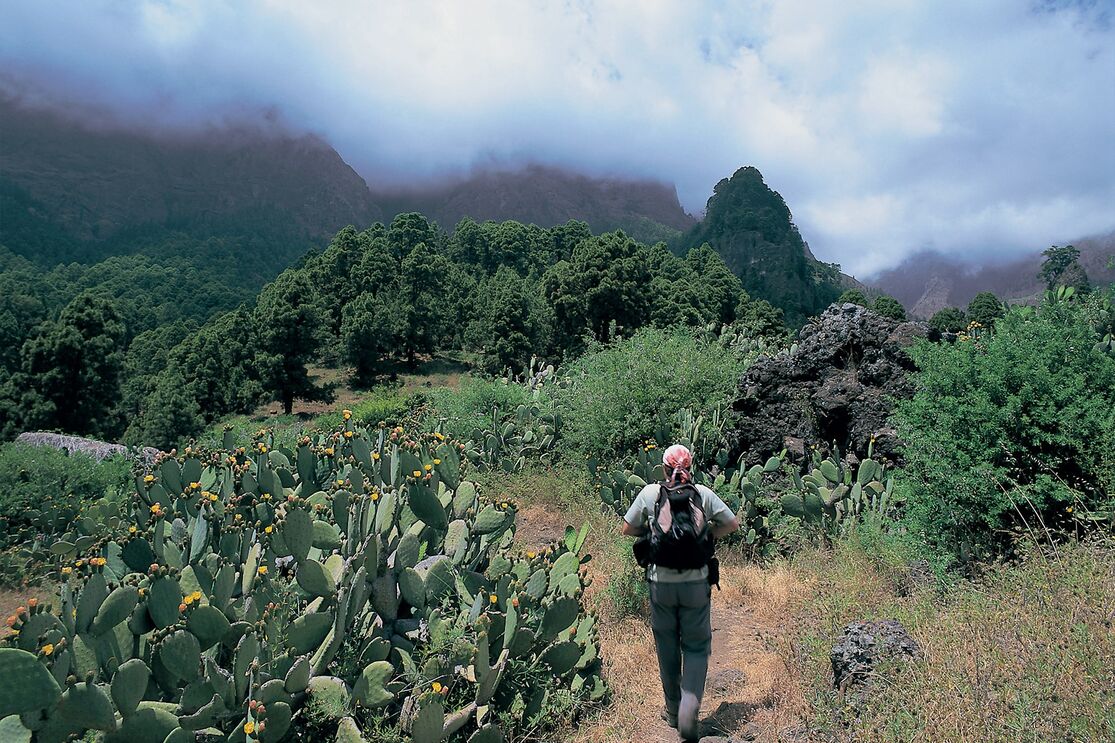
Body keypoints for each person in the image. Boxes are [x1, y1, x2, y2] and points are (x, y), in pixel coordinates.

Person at [621, 443, 740, 742]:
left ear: (663, 468)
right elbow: (732, 524)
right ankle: (690, 710)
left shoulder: (650, 493)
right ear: (691, 466)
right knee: (697, 646)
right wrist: (708, 533)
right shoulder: (704, 494)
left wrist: (650, 530)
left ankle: (673, 711)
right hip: (696, 584)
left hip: (660, 584)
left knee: (667, 646)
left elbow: (626, 528)